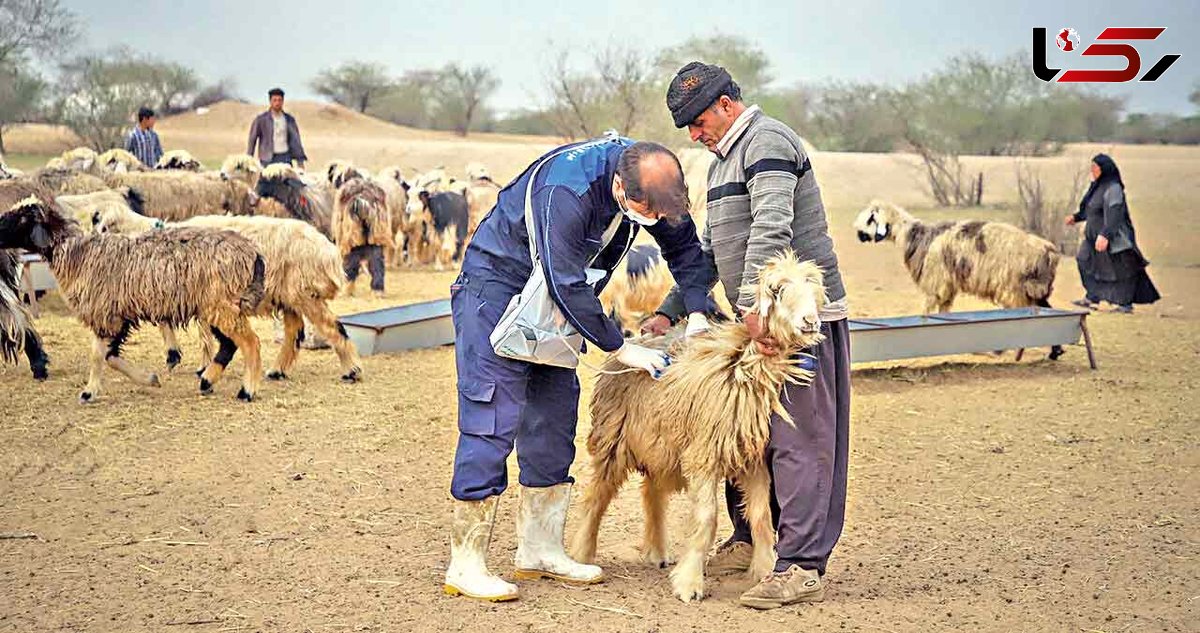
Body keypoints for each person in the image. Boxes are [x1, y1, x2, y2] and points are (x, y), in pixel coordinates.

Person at [444, 136, 714, 602]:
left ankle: (540, 548)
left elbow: (688, 252)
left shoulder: (654, 188)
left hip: (557, 300)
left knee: (554, 413)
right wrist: (621, 347)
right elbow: (563, 278)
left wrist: (696, 314)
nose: (651, 223)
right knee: (493, 413)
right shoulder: (566, 189)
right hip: (498, 287)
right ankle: (466, 563)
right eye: (643, 212)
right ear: (617, 186)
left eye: (657, 215)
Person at [643, 62, 851, 609]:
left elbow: (772, 228)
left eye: (697, 120)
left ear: (727, 104)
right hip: (753, 323)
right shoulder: (722, 164)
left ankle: (801, 562)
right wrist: (669, 310)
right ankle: (748, 539)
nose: (693, 133)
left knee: (798, 441)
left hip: (795, 325)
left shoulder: (768, 143)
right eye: (685, 125)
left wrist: (757, 307)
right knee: (738, 435)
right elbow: (711, 251)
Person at [1066, 153, 1159, 314]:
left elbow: (1114, 214)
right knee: (1084, 260)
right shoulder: (1096, 187)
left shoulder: (1113, 188)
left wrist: (1105, 235)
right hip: (1092, 237)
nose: (1092, 171)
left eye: (1095, 168)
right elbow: (1090, 209)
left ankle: (1125, 304)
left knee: (1121, 270)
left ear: (1104, 169)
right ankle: (1092, 296)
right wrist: (1076, 217)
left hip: (1113, 238)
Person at [247, 88, 307, 168]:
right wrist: (248, 159)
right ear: (270, 101)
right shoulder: (261, 119)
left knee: (289, 180)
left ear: (283, 101)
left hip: (285, 157)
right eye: (274, 100)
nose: (277, 103)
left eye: (279, 100)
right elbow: (252, 139)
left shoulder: (289, 119)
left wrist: (300, 160)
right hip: (267, 158)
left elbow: (296, 140)